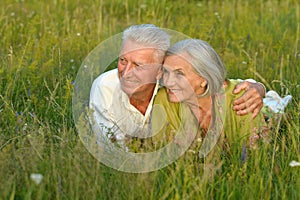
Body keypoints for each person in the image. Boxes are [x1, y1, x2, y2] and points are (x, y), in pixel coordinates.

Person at [89, 24, 266, 149]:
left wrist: (258, 87)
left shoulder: (168, 85)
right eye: (122, 60)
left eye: (138, 65)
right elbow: (111, 148)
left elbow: (226, 85)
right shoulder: (107, 88)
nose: (126, 72)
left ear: (157, 71)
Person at [150, 39, 269, 155]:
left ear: (204, 79)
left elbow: (255, 154)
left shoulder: (240, 100)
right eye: (166, 72)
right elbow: (163, 151)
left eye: (179, 74)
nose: (168, 82)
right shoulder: (164, 98)